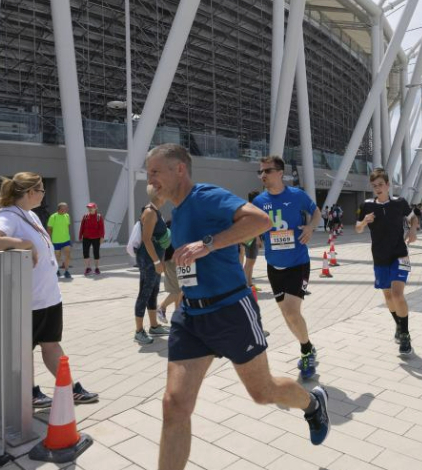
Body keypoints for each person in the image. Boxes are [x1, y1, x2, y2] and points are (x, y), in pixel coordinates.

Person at [146, 144, 330, 470]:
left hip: (230, 309)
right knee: (174, 405)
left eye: (155, 172)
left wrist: (209, 244)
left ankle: (313, 404)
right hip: (190, 316)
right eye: (148, 174)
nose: (150, 180)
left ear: (179, 170)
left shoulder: (205, 196)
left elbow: (259, 221)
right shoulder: (177, 210)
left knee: (262, 392)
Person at [0, 172, 98, 408]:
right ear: (29, 192)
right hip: (28, 300)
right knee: (26, 350)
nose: (44, 194)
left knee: (52, 344)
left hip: (48, 297)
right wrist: (23, 244)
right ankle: (30, 392)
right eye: (41, 190)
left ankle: (68, 388)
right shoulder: (8, 215)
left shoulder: (31, 215)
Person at [252, 156, 322, 379]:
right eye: (260, 172)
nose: (263, 175)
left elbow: (316, 212)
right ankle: (308, 345)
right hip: (274, 266)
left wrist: (311, 227)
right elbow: (253, 224)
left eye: (267, 171)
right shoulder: (259, 202)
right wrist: (256, 236)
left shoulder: (297, 195)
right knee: (288, 316)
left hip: (297, 263)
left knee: (292, 312)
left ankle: (306, 352)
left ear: (280, 173)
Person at [356, 168, 418, 354]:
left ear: (388, 185)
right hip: (380, 258)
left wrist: (413, 230)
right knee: (388, 297)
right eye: (374, 186)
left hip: (400, 255)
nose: (378, 188)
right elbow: (358, 228)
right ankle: (398, 325)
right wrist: (365, 221)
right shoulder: (367, 206)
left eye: (381, 185)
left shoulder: (399, 203)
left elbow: (413, 217)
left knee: (398, 294)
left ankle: (405, 335)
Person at [134, 186, 172, 344]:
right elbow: (147, 239)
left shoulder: (156, 211)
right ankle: (139, 331)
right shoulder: (150, 212)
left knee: (153, 291)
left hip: (155, 258)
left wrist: (161, 260)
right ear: (159, 195)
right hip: (148, 259)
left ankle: (154, 326)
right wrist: (156, 261)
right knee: (144, 292)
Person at [157, 220, 181, 325]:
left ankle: (178, 318)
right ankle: (161, 307)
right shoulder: (176, 223)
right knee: (178, 291)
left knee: (179, 291)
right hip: (172, 260)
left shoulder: (170, 222)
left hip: (174, 260)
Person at [78, 202, 105, 275]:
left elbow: (102, 228)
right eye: (88, 208)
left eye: (91, 207)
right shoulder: (85, 216)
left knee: (96, 253)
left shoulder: (99, 217)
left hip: (96, 238)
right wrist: (80, 236)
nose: (89, 209)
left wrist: (102, 237)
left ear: (95, 208)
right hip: (86, 237)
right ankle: (88, 268)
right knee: (85, 253)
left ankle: (97, 268)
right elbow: (82, 226)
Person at [47, 203, 72, 278]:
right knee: (57, 257)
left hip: (66, 240)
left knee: (68, 255)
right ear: (59, 209)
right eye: (64, 208)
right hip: (56, 241)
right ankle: (56, 270)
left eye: (66, 208)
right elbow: (49, 228)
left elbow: (68, 226)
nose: (66, 210)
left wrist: (67, 236)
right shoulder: (53, 217)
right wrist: (50, 239)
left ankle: (66, 271)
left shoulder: (67, 216)